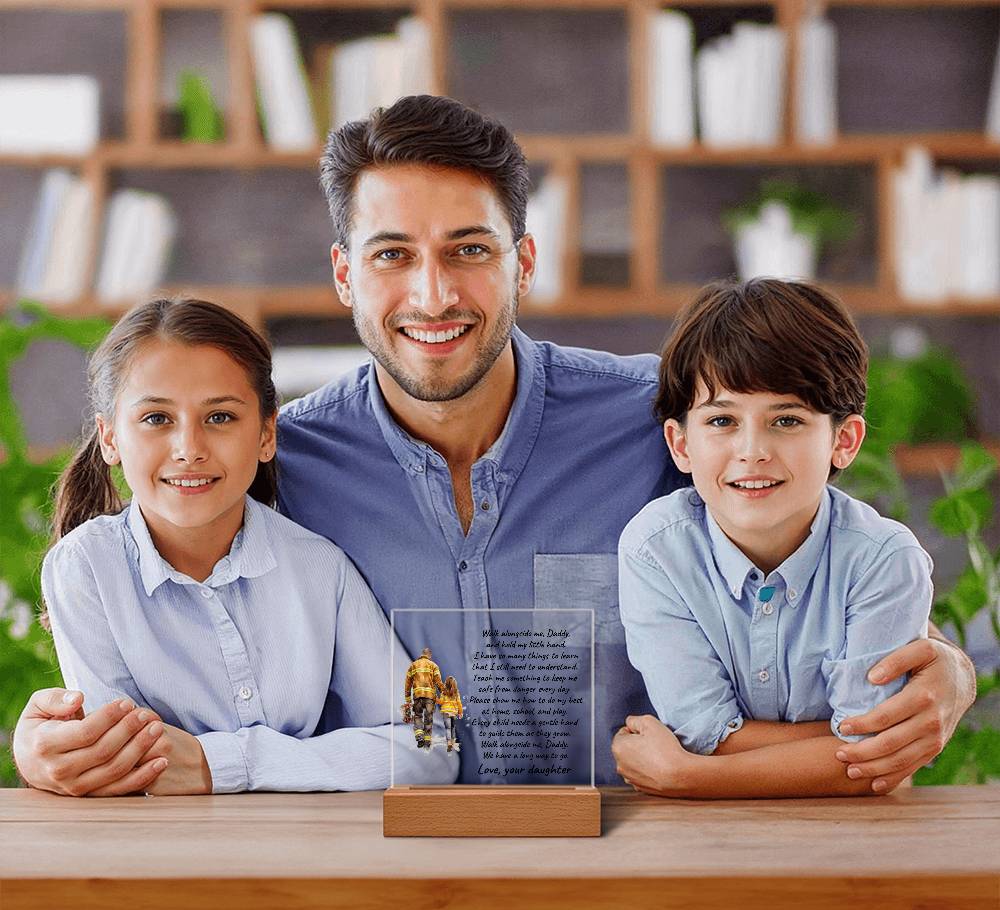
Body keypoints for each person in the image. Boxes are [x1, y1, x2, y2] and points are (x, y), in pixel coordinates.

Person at [13, 95, 976, 795]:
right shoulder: (274, 462)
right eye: (394, 255)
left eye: (468, 250)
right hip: (382, 872)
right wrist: (51, 739)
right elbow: (148, 591)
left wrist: (943, 665)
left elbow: (825, 558)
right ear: (346, 275)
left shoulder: (665, 416)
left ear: (523, 260)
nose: (433, 296)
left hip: (653, 856)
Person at [35, 297, 454, 794]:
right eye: (155, 419)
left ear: (266, 434)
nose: (188, 448)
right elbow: (124, 767)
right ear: (109, 438)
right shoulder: (85, 568)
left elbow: (433, 743)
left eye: (220, 418)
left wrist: (222, 764)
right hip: (151, 857)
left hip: (307, 850)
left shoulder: (320, 568)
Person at [614, 278, 935, 797]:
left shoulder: (884, 560)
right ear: (681, 445)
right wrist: (845, 747)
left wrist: (689, 776)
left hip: (856, 845)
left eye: (786, 420)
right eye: (721, 419)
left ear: (844, 440)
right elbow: (701, 733)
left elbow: (877, 758)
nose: (752, 450)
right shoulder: (656, 549)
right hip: (699, 843)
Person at [404, 647, 444, 749]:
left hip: (417, 696)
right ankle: (427, 739)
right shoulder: (433, 666)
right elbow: (439, 683)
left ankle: (419, 736)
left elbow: (408, 683)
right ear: (429, 655)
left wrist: (408, 698)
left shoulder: (413, 666)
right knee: (428, 718)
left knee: (417, 716)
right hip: (429, 697)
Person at [437, 676, 464, 753]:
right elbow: (459, 704)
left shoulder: (444, 693)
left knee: (447, 728)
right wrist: (460, 712)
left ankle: (449, 742)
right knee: (452, 727)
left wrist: (436, 699)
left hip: (446, 712)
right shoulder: (456, 693)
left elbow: (441, 702)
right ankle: (452, 741)